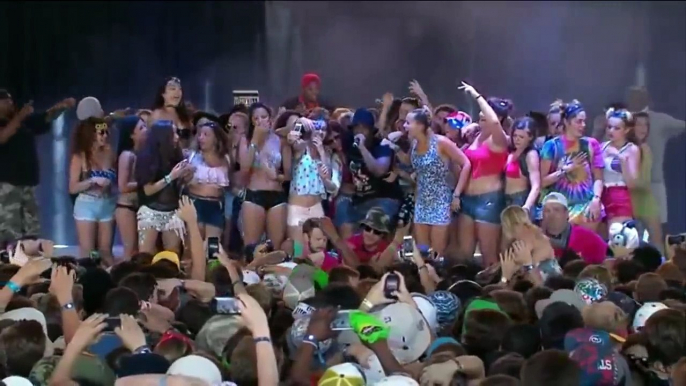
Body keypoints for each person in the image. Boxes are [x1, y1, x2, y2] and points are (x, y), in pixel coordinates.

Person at [0, 91, 75, 245]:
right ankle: (7, 265)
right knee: (9, 231)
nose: (10, 103)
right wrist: (20, 116)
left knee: (32, 231)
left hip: (29, 182)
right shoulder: (11, 122)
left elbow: (45, 118)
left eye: (10, 100)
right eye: (5, 101)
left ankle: (30, 261)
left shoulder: (24, 122)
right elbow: (2, 137)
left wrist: (61, 107)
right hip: (7, 185)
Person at [456, 82, 510, 266]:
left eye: (484, 117)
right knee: (464, 254)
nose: (481, 119)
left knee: (489, 256)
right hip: (467, 200)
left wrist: (477, 95)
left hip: (489, 201)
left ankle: (496, 291)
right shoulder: (477, 136)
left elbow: (494, 122)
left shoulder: (500, 139)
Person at [404, 107, 470, 255]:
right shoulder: (414, 144)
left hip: (440, 201)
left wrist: (457, 194)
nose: (404, 126)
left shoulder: (441, 142)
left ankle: (437, 276)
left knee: (437, 252)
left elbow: (465, 164)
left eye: (408, 123)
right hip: (421, 201)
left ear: (420, 126)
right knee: (422, 250)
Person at [626, 87, 686, 233]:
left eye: (639, 95)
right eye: (633, 95)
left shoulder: (659, 120)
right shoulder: (623, 120)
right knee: (630, 231)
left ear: (647, 98)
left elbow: (682, 126)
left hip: (654, 184)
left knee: (657, 231)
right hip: (628, 186)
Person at [539, 100, 604, 232]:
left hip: (586, 208)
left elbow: (598, 178)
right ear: (567, 122)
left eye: (584, 121)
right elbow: (542, 182)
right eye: (579, 121)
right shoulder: (551, 146)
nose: (583, 125)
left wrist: (596, 200)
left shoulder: (591, 145)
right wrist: (564, 170)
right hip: (560, 210)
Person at [335, 108, 401, 239]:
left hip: (383, 199)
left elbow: (379, 170)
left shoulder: (382, 146)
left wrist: (362, 148)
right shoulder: (349, 144)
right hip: (359, 200)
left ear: (371, 131)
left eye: (364, 128)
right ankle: (349, 252)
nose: (359, 131)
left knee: (375, 219)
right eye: (356, 128)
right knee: (342, 207)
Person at [239, 102, 291, 249]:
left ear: (270, 119)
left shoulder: (280, 140)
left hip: (277, 195)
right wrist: (255, 141)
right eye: (256, 118)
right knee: (251, 248)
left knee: (276, 248)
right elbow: (244, 168)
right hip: (255, 194)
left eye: (264, 117)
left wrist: (277, 177)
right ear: (251, 121)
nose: (260, 121)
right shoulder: (246, 140)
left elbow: (288, 175)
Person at [135, 121, 192, 253]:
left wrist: (186, 175)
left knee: (171, 256)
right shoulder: (146, 158)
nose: (177, 137)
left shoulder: (176, 155)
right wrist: (171, 176)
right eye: (173, 134)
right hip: (150, 211)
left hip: (173, 212)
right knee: (145, 255)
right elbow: (148, 190)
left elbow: (180, 186)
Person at [68, 118, 116, 262]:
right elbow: (72, 188)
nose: (105, 136)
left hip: (107, 204)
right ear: (91, 135)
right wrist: (92, 181)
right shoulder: (79, 157)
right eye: (101, 133)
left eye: (106, 132)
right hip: (87, 205)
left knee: (105, 251)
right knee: (88, 252)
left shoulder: (110, 153)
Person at [286, 117, 340, 245]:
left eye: (324, 129)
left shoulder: (329, 153)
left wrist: (321, 151)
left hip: (316, 207)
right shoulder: (301, 147)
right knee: (298, 249)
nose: (320, 132)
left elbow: (332, 187)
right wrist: (300, 121)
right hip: (297, 207)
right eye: (317, 128)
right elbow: (287, 136)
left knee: (318, 247)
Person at [186, 121, 231, 240]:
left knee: (212, 250)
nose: (201, 138)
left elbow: (221, 189)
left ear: (216, 139)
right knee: (194, 248)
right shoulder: (192, 157)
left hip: (215, 207)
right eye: (200, 134)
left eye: (206, 135)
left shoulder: (225, 158)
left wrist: (200, 187)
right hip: (195, 205)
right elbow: (187, 184)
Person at [539, 192, 607, 264]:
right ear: (542, 215)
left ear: (566, 213)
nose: (551, 214)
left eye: (556, 210)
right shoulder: (535, 239)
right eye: (547, 211)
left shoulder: (587, 237)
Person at [600, 108, 640, 228]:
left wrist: (622, 160)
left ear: (626, 130)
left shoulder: (631, 149)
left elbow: (632, 184)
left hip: (619, 196)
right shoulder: (602, 146)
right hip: (601, 195)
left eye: (616, 128)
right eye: (609, 127)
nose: (611, 131)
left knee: (618, 238)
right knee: (601, 242)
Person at [115, 115, 148, 259]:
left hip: (139, 206)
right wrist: (145, 183)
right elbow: (122, 186)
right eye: (141, 128)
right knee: (130, 251)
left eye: (145, 126)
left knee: (139, 250)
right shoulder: (127, 155)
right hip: (126, 207)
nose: (146, 130)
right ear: (131, 135)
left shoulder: (142, 153)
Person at [630, 112, 662, 249]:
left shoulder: (646, 148)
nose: (643, 129)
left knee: (656, 241)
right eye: (639, 124)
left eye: (646, 125)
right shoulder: (629, 149)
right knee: (631, 242)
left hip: (646, 200)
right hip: (630, 200)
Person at [504, 116, 541, 212]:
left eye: (521, 137)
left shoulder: (531, 155)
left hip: (520, 200)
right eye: (515, 136)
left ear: (530, 137)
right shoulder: (511, 151)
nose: (517, 139)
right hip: (505, 200)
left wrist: (526, 207)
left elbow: (536, 185)